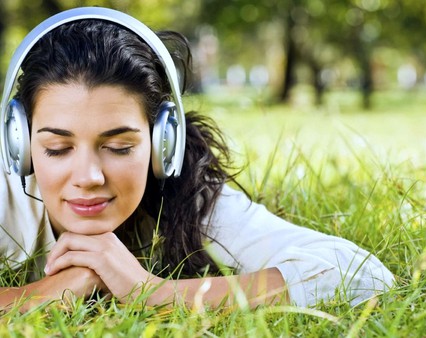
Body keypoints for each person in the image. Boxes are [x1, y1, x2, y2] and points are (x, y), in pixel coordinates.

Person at [0, 7, 394, 311]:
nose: (88, 177)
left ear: (162, 144)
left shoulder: (186, 194)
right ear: (20, 142)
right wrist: (47, 292)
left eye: (119, 147)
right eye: (57, 148)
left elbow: (361, 275)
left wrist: (153, 291)